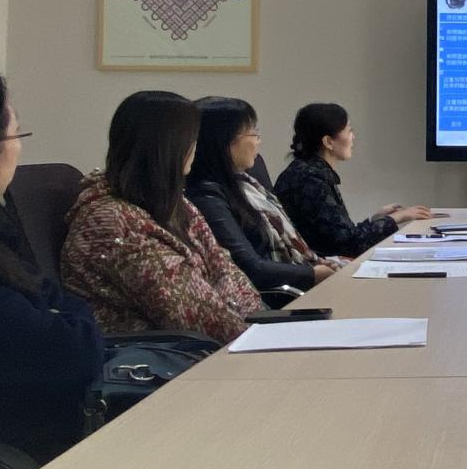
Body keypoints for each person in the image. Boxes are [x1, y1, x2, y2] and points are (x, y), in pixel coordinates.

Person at [0, 64, 103, 464]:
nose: (19, 149)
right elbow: (73, 352)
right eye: (15, 136)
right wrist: (67, 317)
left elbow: (51, 297)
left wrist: (64, 316)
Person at [62, 91, 263, 344]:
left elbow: (225, 268)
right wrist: (255, 332)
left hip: (211, 343)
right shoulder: (111, 221)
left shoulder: (176, 204)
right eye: (191, 139)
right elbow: (190, 315)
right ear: (167, 146)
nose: (196, 147)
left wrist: (253, 321)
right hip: (161, 355)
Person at [186, 97, 337, 297]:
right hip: (277, 298)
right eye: (253, 133)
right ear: (224, 141)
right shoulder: (207, 197)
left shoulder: (247, 184)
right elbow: (251, 268)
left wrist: (314, 265)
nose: (259, 141)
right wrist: (312, 274)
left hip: (297, 282)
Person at [275, 103, 431, 258]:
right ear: (328, 142)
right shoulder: (310, 179)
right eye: (349, 131)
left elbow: (341, 235)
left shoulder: (309, 171)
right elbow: (349, 245)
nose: (353, 137)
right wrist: (396, 218)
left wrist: (378, 219)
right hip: (319, 268)